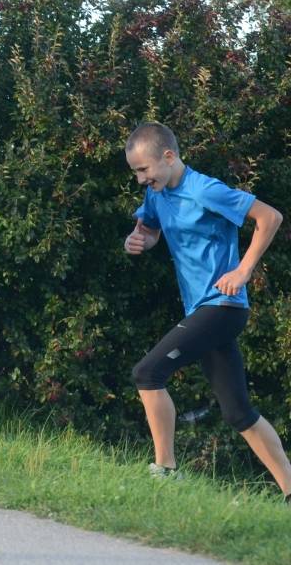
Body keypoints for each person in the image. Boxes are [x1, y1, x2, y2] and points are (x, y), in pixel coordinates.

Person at [124, 122, 290, 501]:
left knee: (148, 373)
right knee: (238, 412)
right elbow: (149, 230)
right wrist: (139, 240)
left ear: (168, 156)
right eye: (135, 172)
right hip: (201, 308)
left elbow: (270, 218)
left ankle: (165, 470)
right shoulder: (156, 193)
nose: (141, 179)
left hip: (223, 306)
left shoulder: (205, 189)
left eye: (144, 169)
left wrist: (243, 271)